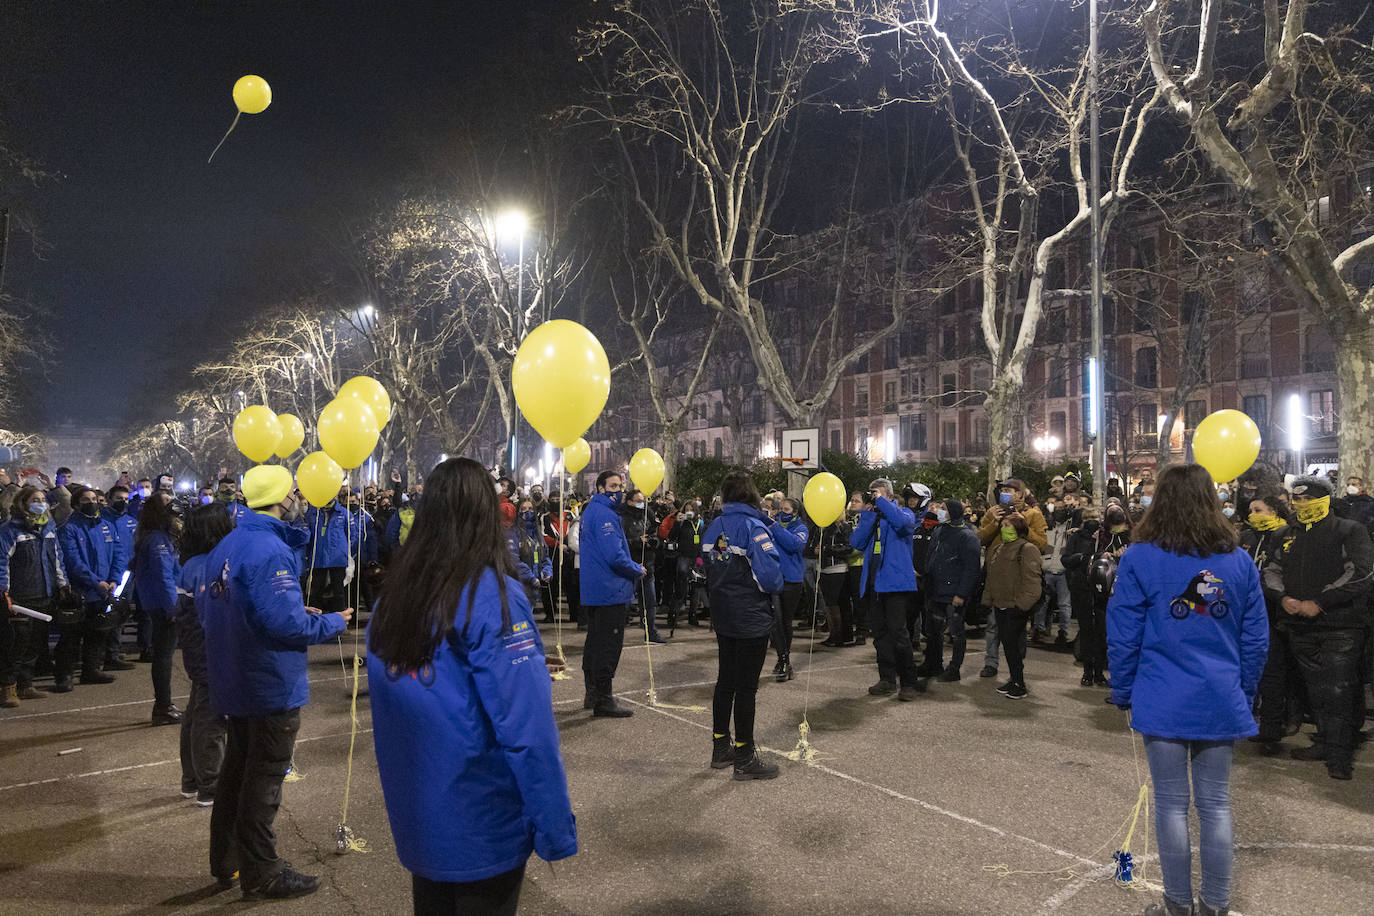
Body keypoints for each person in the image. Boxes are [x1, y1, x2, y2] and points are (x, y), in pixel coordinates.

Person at [367, 458, 577, 915]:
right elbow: (527, 729)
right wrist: (555, 825)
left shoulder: (397, 594)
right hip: (480, 815)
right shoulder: (490, 594)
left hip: (420, 811)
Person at [1107, 464, 1269, 916]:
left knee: (1172, 806)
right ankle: (1214, 906)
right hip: (1219, 693)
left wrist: (1122, 689)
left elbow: (1123, 632)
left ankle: (1178, 904)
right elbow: (1255, 637)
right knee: (1216, 805)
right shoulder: (1237, 560)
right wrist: (1244, 689)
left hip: (1162, 693)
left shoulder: (1140, 557)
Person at [199, 465, 352, 899]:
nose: (300, 501)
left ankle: (227, 861)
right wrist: (331, 624)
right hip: (268, 682)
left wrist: (299, 613)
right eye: (295, 494)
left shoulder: (229, 543)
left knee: (236, 772)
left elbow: (223, 610)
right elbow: (285, 626)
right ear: (281, 498)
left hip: (236, 676)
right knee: (262, 780)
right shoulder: (269, 548)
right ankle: (262, 871)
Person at [1261, 475, 1373, 781]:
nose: (1302, 505)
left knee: (1338, 691)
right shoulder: (1285, 534)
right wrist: (1283, 597)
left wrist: (1321, 602)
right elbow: (1272, 570)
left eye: (1308, 499)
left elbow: (1361, 574)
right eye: (1297, 500)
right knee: (1316, 692)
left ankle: (1340, 758)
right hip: (1299, 627)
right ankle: (1326, 742)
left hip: (1341, 626)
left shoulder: (1350, 530)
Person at [701, 472, 784, 780]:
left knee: (726, 682)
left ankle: (720, 747)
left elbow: (710, 567)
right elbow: (771, 577)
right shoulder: (753, 527)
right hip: (749, 616)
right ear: (751, 495)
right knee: (746, 688)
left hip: (723, 614)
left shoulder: (715, 526)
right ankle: (745, 756)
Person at [176, 505, 234, 806]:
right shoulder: (210, 564)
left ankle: (192, 779)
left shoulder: (192, 562)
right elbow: (212, 612)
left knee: (197, 710)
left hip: (196, 644)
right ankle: (210, 784)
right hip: (209, 644)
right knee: (210, 717)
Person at [578, 470, 645, 718]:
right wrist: (636, 568)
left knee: (595, 642)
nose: (618, 490)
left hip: (597, 590)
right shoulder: (604, 514)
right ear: (600, 488)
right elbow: (614, 556)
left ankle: (592, 692)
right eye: (613, 485)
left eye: (620, 485)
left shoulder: (593, 511)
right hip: (609, 590)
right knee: (607, 645)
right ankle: (603, 698)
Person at [851, 478, 923, 701]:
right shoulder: (873, 519)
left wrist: (882, 503)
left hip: (895, 584)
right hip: (874, 584)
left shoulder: (903, 514)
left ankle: (909, 682)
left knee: (899, 634)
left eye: (878, 494)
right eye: (871, 494)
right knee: (880, 635)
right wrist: (869, 514)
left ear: (890, 497)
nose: (873, 497)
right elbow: (856, 542)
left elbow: (902, 524)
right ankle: (887, 679)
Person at [1240, 492, 1300, 756]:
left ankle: (1273, 728)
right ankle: (1259, 722)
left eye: (1259, 510)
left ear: (1275, 511)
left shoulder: (1287, 537)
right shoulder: (1248, 538)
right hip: (1250, 613)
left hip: (1275, 613)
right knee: (1260, 671)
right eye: (1251, 511)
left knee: (1274, 671)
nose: (1253, 515)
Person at [55, 486, 128, 692]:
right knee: (71, 636)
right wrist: (95, 581)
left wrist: (114, 579)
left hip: (103, 590)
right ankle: (64, 675)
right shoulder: (69, 529)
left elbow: (118, 554)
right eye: (86, 500)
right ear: (77, 504)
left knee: (98, 631)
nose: (91, 502)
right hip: (80, 590)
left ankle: (91, 670)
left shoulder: (106, 526)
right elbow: (73, 560)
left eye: (94, 499)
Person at [0, 486, 69, 704]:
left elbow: (56, 558)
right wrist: (4, 592)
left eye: (42, 499)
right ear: (23, 503)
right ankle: (7, 688)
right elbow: (2, 563)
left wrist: (62, 584)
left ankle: (26, 684)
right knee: (15, 644)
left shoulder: (48, 527)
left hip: (43, 593)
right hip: (20, 597)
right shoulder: (10, 530)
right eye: (34, 499)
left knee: (35, 642)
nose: (40, 503)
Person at [133, 491, 184, 725]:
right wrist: (172, 608)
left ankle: (164, 705)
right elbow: (163, 577)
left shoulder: (157, 537)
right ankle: (163, 706)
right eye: (166, 502)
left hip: (159, 602)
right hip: (163, 605)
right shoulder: (156, 540)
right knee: (163, 657)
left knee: (163, 656)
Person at [981, 513, 1042, 699]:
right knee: (1008, 646)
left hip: (1014, 607)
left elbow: (1032, 581)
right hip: (1000, 604)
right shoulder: (999, 548)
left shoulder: (1027, 548)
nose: (1004, 528)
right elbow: (991, 577)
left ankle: (1019, 683)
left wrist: (1021, 605)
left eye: (1008, 525)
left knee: (1013, 646)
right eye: (1003, 525)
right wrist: (988, 600)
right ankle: (1014, 679)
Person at [922, 499, 982, 681]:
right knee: (933, 631)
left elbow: (971, 569)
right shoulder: (939, 531)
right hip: (936, 591)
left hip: (953, 593)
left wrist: (961, 594)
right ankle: (933, 664)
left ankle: (954, 669)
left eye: (943, 509)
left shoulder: (967, 536)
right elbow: (931, 557)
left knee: (956, 633)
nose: (939, 511)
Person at [767, 496, 808, 682]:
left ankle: (784, 659)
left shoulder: (801, 528)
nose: (782, 512)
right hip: (774, 579)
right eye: (781, 508)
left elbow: (794, 545)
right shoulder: (772, 525)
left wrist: (775, 527)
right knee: (775, 620)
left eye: (787, 509)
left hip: (792, 580)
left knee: (785, 621)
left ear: (795, 512)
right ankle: (782, 658)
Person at [301, 488, 356, 615]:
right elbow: (307, 536)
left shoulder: (344, 513)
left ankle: (340, 622)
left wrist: (342, 549)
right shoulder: (312, 514)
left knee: (339, 592)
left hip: (338, 559)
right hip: (317, 558)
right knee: (316, 591)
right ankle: (315, 621)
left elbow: (352, 535)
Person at [622, 490, 666, 643]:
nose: (641, 503)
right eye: (638, 500)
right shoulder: (622, 518)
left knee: (649, 601)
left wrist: (653, 541)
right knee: (625, 602)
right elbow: (620, 543)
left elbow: (656, 534)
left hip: (648, 565)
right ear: (629, 501)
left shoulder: (649, 515)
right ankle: (617, 633)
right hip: (630, 566)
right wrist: (637, 541)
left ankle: (651, 632)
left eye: (643, 500)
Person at [1036, 492, 1075, 646]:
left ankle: (1063, 632)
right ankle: (1039, 629)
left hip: (1063, 572)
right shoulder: (1048, 526)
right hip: (1047, 570)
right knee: (1042, 603)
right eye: (1056, 508)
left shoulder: (1071, 527)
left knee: (1064, 604)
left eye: (1062, 508)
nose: (1059, 510)